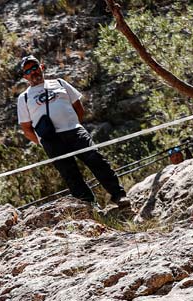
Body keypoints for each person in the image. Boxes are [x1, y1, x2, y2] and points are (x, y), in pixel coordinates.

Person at [17, 56, 130, 210]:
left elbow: (78, 106)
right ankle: (90, 207)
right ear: (25, 76)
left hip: (75, 131)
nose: (33, 72)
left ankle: (119, 195)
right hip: (51, 141)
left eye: (34, 67)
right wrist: (43, 142)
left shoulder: (59, 82)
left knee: (97, 160)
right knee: (70, 175)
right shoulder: (23, 98)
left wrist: (74, 124)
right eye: (28, 71)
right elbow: (26, 129)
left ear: (41, 67)